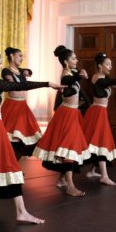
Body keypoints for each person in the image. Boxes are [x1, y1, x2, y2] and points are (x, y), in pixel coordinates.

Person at [0, 46, 62, 225]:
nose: (1, 67)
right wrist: (47, 84)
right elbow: (21, 85)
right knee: (3, 167)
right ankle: (20, 212)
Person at [33, 45, 91, 197]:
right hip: (66, 115)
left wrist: (82, 103)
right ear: (66, 62)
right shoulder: (65, 75)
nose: (76, 60)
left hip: (72, 114)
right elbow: (70, 80)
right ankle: (70, 186)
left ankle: (61, 180)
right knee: (69, 148)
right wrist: (80, 75)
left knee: (68, 148)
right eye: (73, 58)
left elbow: (76, 88)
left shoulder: (72, 73)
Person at [83, 52, 116, 186]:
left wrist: (115, 84)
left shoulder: (103, 77)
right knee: (100, 141)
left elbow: (106, 84)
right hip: (97, 112)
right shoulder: (98, 77)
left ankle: (92, 170)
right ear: (99, 66)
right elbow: (104, 82)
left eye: (111, 64)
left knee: (97, 142)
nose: (110, 67)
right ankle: (104, 176)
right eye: (107, 64)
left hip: (100, 111)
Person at [1, 47, 43, 158]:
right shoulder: (6, 71)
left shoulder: (21, 71)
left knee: (22, 138)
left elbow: (29, 72)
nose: (21, 58)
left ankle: (15, 166)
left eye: (22, 56)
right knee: (11, 138)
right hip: (12, 106)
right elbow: (11, 82)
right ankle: (10, 165)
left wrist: (26, 72)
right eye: (19, 55)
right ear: (12, 56)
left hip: (22, 106)